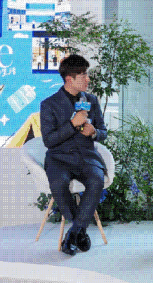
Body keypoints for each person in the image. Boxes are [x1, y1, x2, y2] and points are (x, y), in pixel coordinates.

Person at [40, 54, 108, 256]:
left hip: (86, 157)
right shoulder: (49, 104)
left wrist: (94, 132)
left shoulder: (91, 101)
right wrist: (72, 124)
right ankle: (80, 230)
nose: (88, 79)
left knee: (97, 180)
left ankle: (73, 233)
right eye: (83, 75)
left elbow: (104, 132)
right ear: (69, 79)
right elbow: (49, 141)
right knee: (58, 184)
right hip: (59, 159)